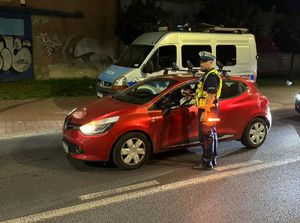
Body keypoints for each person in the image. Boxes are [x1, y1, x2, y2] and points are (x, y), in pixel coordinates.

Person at [193, 51, 222, 170]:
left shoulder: (212, 76)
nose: (201, 64)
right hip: (211, 109)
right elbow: (204, 93)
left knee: (206, 136)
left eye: (203, 62)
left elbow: (211, 95)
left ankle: (207, 162)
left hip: (209, 109)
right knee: (211, 134)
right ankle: (212, 159)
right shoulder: (209, 74)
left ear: (210, 62)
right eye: (201, 61)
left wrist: (205, 111)